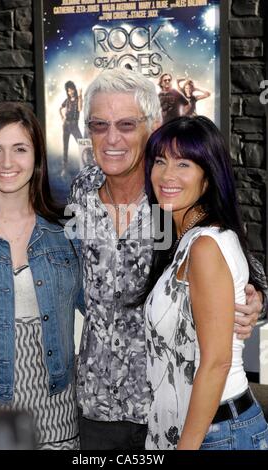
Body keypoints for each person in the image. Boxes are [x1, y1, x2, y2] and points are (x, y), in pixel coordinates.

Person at [68, 68, 265, 451]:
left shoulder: (171, 196)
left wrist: (253, 299)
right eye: (99, 125)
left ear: (153, 124)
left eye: (126, 124)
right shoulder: (82, 191)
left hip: (168, 407)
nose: (111, 139)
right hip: (96, 404)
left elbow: (233, 262)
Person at [143, 115, 268, 450]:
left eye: (184, 163)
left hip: (217, 432)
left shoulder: (204, 246)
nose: (167, 175)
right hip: (201, 427)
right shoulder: (184, 236)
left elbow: (216, 362)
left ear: (208, 176)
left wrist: (187, 446)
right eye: (160, 161)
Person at [0, 102, 84, 450]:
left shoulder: (68, 234)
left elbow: (112, 305)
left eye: (20, 149)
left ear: (36, 158)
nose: (7, 163)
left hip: (56, 409)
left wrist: (249, 292)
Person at [60, 80, 83, 175]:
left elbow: (80, 108)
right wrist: (62, 118)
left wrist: (80, 95)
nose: (71, 92)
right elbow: (60, 108)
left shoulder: (78, 99)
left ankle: (84, 166)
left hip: (74, 125)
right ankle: (64, 168)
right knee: (65, 147)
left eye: (72, 89)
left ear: (74, 89)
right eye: (69, 90)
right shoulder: (67, 100)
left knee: (82, 144)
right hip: (66, 125)